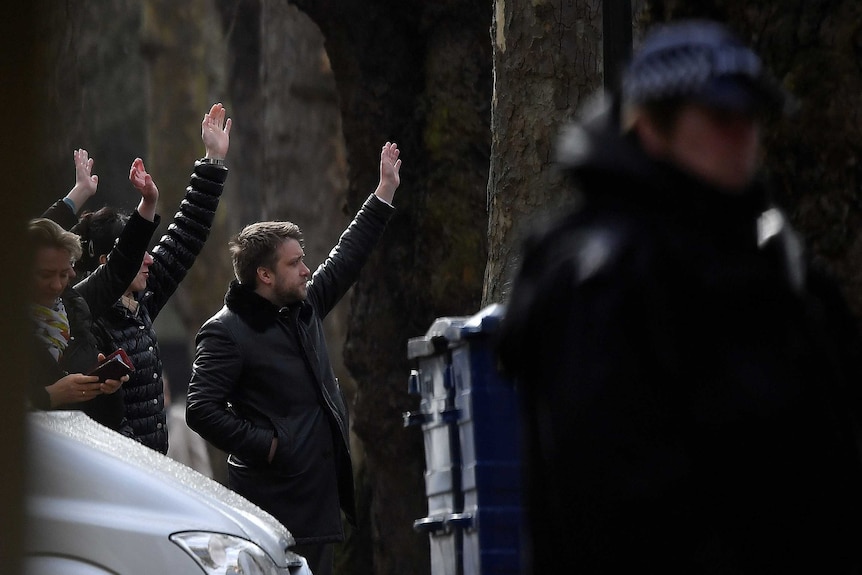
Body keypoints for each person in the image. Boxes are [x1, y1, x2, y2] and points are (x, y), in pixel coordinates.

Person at [495, 19, 862, 574]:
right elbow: (611, 495)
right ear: (652, 127)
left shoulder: (773, 258)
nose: (742, 138)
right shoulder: (602, 276)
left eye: (749, 120)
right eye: (719, 119)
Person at [187, 141, 402, 575]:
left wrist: (383, 194)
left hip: (319, 503)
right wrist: (269, 445)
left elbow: (345, 259)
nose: (307, 270)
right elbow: (200, 410)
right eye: (295, 263)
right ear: (264, 275)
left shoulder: (303, 306)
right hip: (273, 509)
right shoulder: (226, 331)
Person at [69, 102, 231, 454]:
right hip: (126, 478)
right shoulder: (86, 323)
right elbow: (105, 420)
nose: (148, 259)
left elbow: (185, 236)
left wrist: (212, 161)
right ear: (106, 263)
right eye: (136, 251)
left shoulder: (137, 300)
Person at [28, 152, 159, 429]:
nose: (56, 285)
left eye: (64, 274)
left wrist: (102, 385)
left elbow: (119, 266)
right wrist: (50, 396)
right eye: (46, 275)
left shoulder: (75, 304)